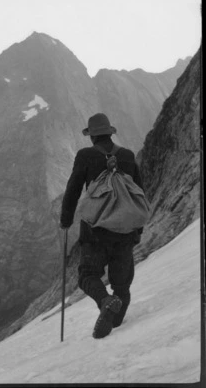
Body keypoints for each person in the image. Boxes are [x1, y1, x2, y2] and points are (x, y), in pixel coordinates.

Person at [60, 113, 144, 339]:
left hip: (95, 232)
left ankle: (105, 301)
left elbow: (73, 189)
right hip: (125, 232)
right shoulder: (127, 156)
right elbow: (139, 193)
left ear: (92, 136)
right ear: (110, 132)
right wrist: (137, 230)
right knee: (122, 285)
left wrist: (66, 220)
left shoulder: (85, 156)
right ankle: (114, 320)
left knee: (87, 275)